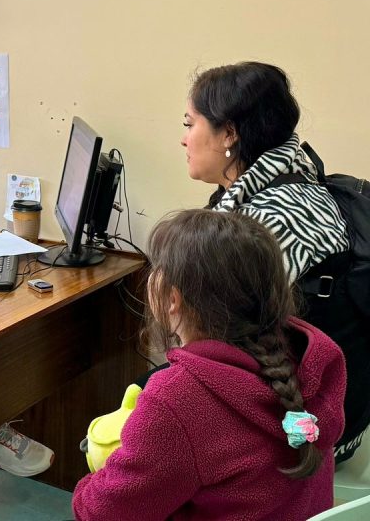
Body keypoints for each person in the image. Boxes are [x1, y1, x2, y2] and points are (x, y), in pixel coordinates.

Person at [72, 209, 346, 520]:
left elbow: (101, 513)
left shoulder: (176, 403)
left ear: (172, 298)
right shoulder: (309, 358)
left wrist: (98, 473)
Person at [182, 61, 368, 462]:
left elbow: (214, 348)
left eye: (189, 123)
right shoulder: (293, 184)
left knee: (148, 410)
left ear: (229, 133)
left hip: (311, 434)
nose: (184, 140)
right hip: (331, 408)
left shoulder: (270, 221)